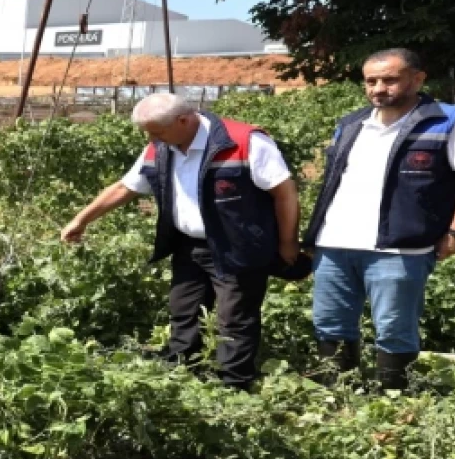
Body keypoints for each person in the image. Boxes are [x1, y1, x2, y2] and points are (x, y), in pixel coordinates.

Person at [61, 92, 304, 391]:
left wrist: (287, 241)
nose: (152, 138)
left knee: (235, 319)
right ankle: (180, 379)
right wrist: (81, 219)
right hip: (189, 245)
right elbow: (126, 187)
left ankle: (235, 388)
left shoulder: (243, 141)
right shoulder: (161, 146)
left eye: (156, 131)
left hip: (238, 246)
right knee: (184, 312)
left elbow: (284, 192)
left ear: (184, 120)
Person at [304, 48, 455, 390]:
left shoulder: (448, 121)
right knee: (330, 323)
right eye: (371, 81)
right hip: (335, 243)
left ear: (417, 79)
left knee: (393, 327)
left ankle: (393, 397)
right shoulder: (351, 124)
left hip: (399, 247)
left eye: (390, 80)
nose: (379, 88)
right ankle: (337, 395)